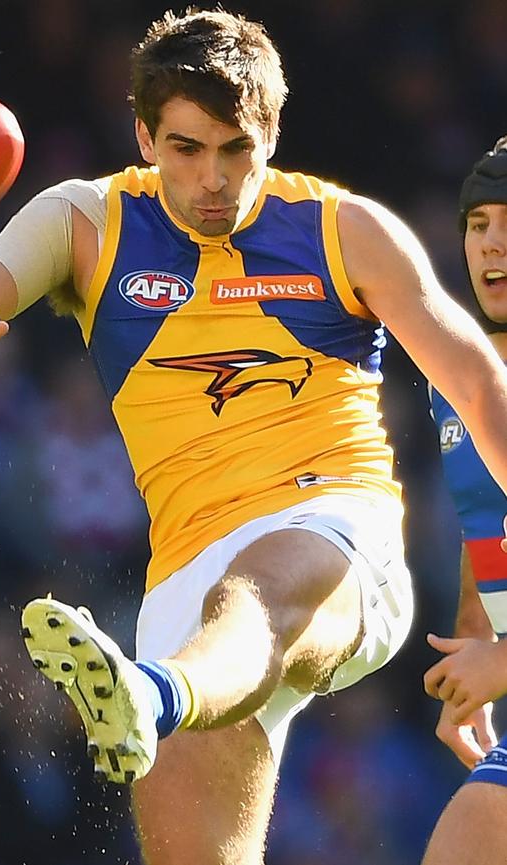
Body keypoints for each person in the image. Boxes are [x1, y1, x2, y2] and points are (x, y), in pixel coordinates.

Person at [0, 10, 507, 865]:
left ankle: (156, 691)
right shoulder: (87, 222)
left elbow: (482, 392)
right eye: (186, 149)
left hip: (335, 526)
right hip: (186, 570)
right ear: (144, 135)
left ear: (272, 133)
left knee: (255, 587)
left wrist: (493, 622)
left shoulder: (345, 230)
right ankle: (164, 688)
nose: (213, 178)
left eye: (235, 149)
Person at [422, 138, 507, 865]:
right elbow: (484, 522)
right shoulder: (456, 374)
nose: (493, 243)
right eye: (479, 222)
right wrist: (474, 634)